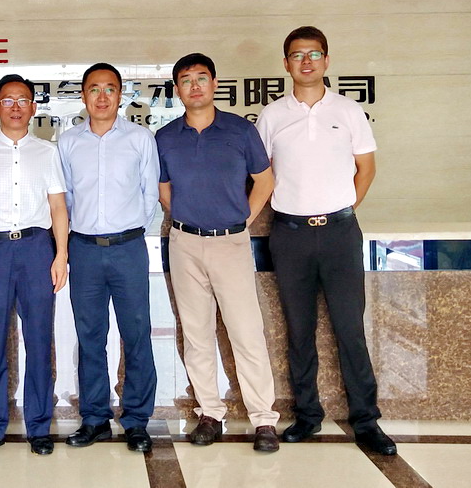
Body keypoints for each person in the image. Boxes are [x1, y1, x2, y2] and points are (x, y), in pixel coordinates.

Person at [256, 26, 396, 455]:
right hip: (290, 235)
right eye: (298, 55)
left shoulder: (349, 111)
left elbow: (366, 168)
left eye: (314, 54)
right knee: (299, 331)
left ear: (327, 61)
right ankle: (307, 416)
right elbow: (261, 174)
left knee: (350, 330)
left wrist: (344, 208)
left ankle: (366, 421)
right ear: (286, 64)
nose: (306, 62)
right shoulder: (271, 116)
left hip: (339, 233)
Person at [155, 53, 280, 452]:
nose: (194, 86)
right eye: (186, 80)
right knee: (196, 334)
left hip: (231, 242)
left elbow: (264, 180)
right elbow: (164, 191)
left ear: (214, 84)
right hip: (185, 243)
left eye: (201, 78)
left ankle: (264, 419)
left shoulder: (240, 131)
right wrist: (190, 220)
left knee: (246, 332)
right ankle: (209, 413)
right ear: (177, 90)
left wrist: (243, 219)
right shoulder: (165, 137)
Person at [0, 74, 69, 457]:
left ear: (33, 108)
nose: (15, 107)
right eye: (8, 100)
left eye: (22, 100)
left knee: (39, 340)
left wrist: (61, 254)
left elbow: (57, 207)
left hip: (37, 249)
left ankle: (39, 426)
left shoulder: (47, 152)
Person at [58, 63, 159, 453]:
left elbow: (150, 195)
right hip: (84, 250)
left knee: (137, 334)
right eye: (94, 89)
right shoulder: (68, 142)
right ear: (83, 95)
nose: (102, 97)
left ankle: (136, 420)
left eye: (110, 89)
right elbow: (65, 198)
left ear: (121, 95)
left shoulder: (139, 139)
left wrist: (127, 230)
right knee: (90, 337)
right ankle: (95, 418)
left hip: (128, 248)